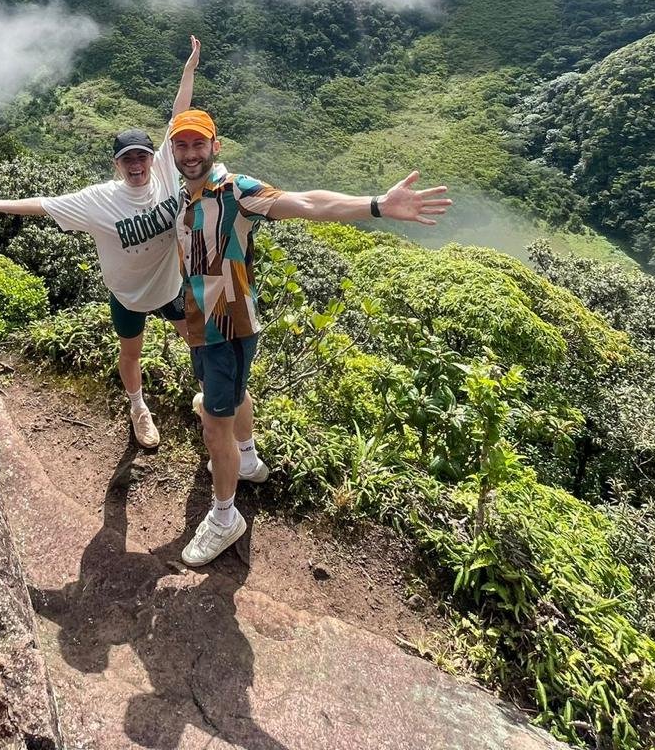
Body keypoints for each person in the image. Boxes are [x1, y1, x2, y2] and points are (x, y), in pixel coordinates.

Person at [166, 107, 452, 567]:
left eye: (199, 144)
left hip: (229, 329)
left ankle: (224, 517)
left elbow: (308, 203)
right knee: (233, 394)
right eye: (182, 145)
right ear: (174, 151)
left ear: (215, 146)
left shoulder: (237, 191)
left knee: (213, 421)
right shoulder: (184, 198)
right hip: (202, 326)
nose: (191, 153)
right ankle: (248, 459)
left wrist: (377, 204)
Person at [0, 36, 201, 448]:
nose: (136, 164)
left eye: (142, 156)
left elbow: (178, 115)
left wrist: (189, 70)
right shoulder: (97, 200)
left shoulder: (167, 169)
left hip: (170, 288)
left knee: (199, 345)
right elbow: (43, 204)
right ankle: (138, 407)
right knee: (130, 354)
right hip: (128, 294)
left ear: (154, 157)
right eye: (127, 159)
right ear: (116, 165)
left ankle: (208, 405)